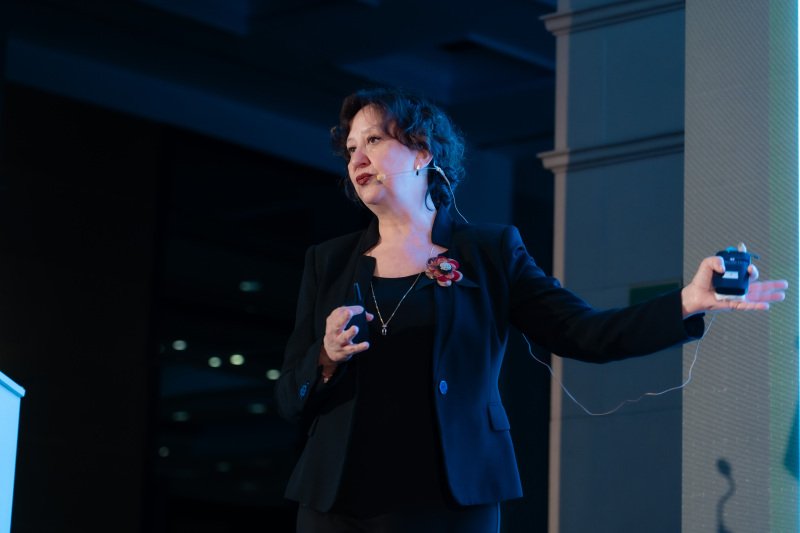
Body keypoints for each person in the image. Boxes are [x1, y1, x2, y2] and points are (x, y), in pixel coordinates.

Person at [274, 87, 787, 532]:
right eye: (350, 149)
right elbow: (288, 395)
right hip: (338, 501)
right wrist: (326, 356)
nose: (357, 159)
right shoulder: (329, 262)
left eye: (373, 141)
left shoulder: (489, 252)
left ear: (422, 151)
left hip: (448, 495)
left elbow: (583, 331)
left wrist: (687, 301)